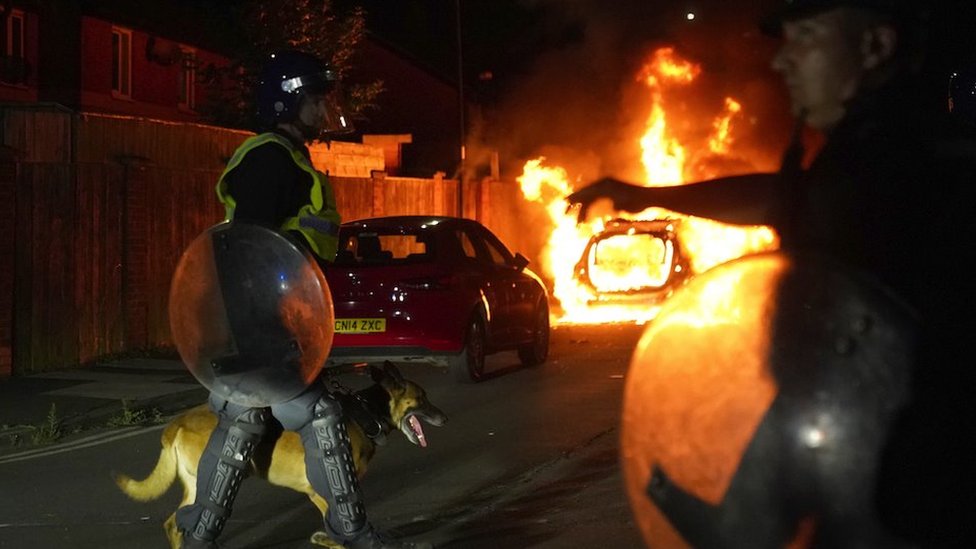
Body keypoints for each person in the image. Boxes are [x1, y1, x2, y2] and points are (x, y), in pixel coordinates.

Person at [568, 0, 976, 545]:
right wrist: (641, 195)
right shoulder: (866, 153)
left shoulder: (908, 167)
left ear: (875, 46)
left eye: (805, 37)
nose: (782, 61)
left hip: (900, 482)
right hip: (855, 451)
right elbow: (782, 198)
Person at [174, 50, 430, 549]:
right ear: (288, 102)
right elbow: (249, 249)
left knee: (242, 419)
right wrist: (265, 329)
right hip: (262, 325)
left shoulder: (286, 156)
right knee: (319, 416)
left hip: (263, 323)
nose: (323, 109)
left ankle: (198, 535)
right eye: (315, 98)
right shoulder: (269, 159)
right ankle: (349, 531)